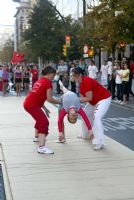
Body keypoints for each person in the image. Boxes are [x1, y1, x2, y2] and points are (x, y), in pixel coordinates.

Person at [23, 66, 61, 154]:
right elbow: (50, 99)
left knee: (39, 119)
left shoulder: (39, 81)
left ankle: (37, 137)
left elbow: (38, 97)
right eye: (54, 74)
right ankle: (42, 147)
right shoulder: (48, 83)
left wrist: (44, 108)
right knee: (44, 122)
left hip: (29, 103)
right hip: (32, 105)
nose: (54, 76)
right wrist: (61, 102)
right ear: (50, 73)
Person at [72, 68, 111, 150]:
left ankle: (99, 142)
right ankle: (85, 134)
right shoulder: (81, 83)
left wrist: (75, 99)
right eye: (73, 76)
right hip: (94, 101)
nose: (73, 78)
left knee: (96, 117)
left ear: (80, 75)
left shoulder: (86, 81)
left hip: (104, 99)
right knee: (85, 114)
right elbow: (83, 99)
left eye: (75, 76)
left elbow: (89, 98)